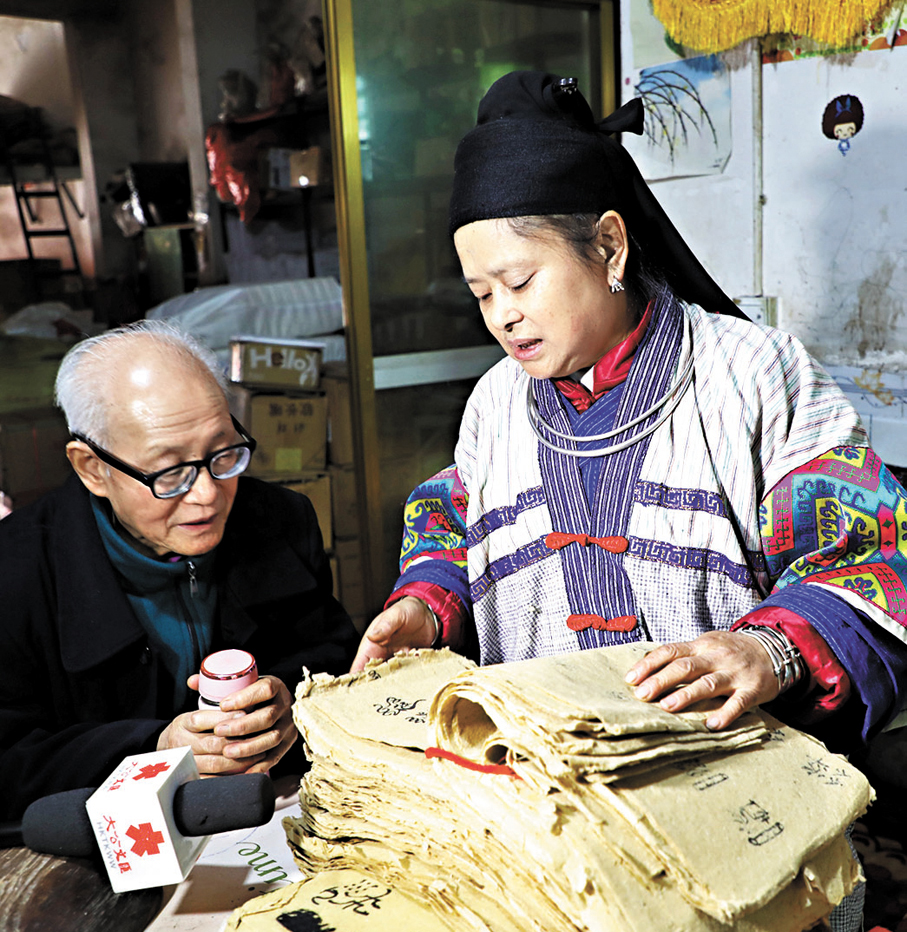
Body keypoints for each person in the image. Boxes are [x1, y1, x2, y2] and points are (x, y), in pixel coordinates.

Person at [353, 74, 907, 791]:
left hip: (733, 787)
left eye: (519, 282)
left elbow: (871, 552)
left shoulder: (752, 372)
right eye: (480, 294)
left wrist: (768, 647)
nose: (501, 316)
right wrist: (425, 606)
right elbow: (448, 529)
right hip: (545, 794)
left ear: (609, 247)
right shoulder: (494, 403)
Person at [0, 322, 358, 820]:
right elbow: (11, 761)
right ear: (92, 468)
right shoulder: (16, 573)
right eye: (169, 473)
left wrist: (293, 706)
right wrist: (153, 748)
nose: (208, 494)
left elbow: (335, 657)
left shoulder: (280, 520)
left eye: (223, 453)